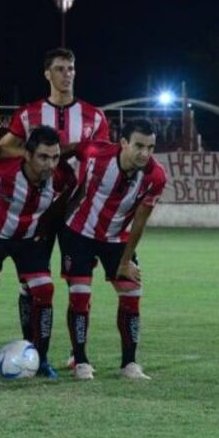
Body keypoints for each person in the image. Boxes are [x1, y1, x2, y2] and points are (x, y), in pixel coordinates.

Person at [0, 48, 109, 345]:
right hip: (40, 210)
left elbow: (104, 159)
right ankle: (31, 347)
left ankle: (78, 354)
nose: (67, 74)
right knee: (31, 282)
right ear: (47, 74)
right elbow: (2, 148)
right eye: (60, 69)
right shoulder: (29, 113)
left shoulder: (94, 116)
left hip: (79, 211)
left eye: (71, 68)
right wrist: (31, 153)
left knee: (79, 285)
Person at [0, 126, 77, 378]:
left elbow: (65, 200)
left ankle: (42, 358)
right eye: (43, 157)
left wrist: (44, 228)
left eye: (55, 157)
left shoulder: (62, 177)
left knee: (44, 291)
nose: (50, 164)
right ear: (27, 154)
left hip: (28, 238)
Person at [59, 118, 167, 381]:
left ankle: (129, 363)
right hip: (77, 232)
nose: (145, 153)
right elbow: (69, 149)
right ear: (123, 143)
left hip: (117, 238)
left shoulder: (155, 176)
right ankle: (80, 360)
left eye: (151, 147)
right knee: (80, 294)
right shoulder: (96, 153)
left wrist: (126, 261)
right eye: (139, 146)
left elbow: (140, 220)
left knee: (132, 292)